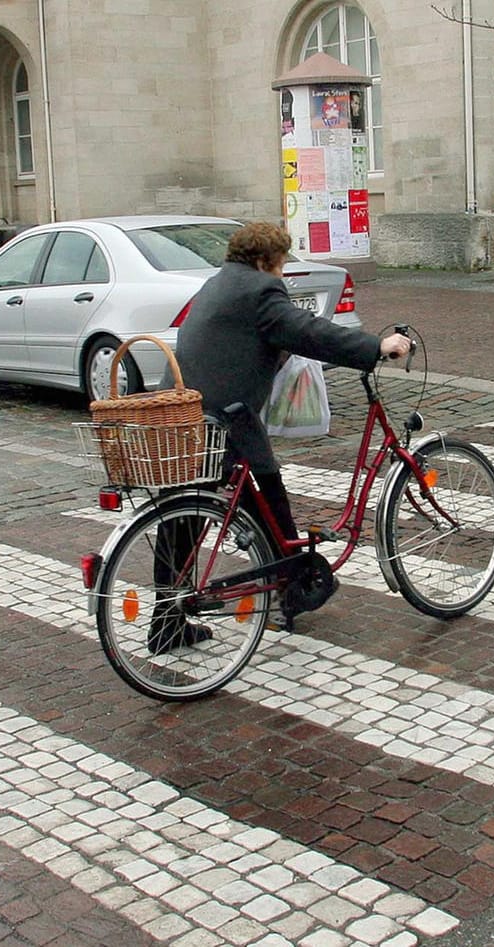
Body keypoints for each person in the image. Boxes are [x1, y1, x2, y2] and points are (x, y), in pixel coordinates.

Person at [147, 221, 411, 654]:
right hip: (228, 421)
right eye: (283, 261)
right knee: (269, 498)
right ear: (266, 260)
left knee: (184, 521)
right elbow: (308, 331)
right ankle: (292, 586)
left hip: (187, 412)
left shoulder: (218, 284)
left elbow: (242, 339)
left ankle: (168, 621)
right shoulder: (261, 290)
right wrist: (375, 348)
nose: (284, 270)